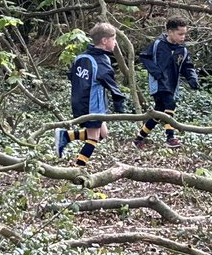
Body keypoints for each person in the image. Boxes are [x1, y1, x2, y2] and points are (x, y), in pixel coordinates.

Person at [55, 23, 127, 167]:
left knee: (103, 134)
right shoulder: (101, 61)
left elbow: (71, 75)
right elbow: (111, 84)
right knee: (93, 138)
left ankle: (66, 135)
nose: (115, 43)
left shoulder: (81, 56)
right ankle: (79, 168)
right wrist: (119, 105)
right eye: (113, 39)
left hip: (79, 102)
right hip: (93, 106)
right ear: (104, 41)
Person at [133, 17, 200, 149]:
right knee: (170, 104)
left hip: (172, 85)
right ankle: (170, 138)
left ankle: (138, 139)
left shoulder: (182, 50)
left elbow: (187, 66)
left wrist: (192, 78)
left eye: (185, 34)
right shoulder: (158, 44)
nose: (183, 37)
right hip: (159, 84)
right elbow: (144, 57)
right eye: (180, 34)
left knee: (158, 112)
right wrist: (156, 72)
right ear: (170, 32)